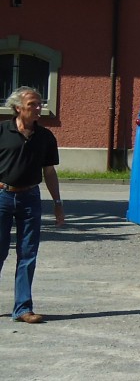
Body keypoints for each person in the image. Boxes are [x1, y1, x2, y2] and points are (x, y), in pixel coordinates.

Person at [0, 86, 65, 324]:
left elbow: (49, 172)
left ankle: (23, 308)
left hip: (30, 199)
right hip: (2, 197)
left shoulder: (46, 137)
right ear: (18, 108)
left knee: (28, 254)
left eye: (40, 104)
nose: (38, 108)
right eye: (32, 105)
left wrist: (57, 203)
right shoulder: (2, 131)